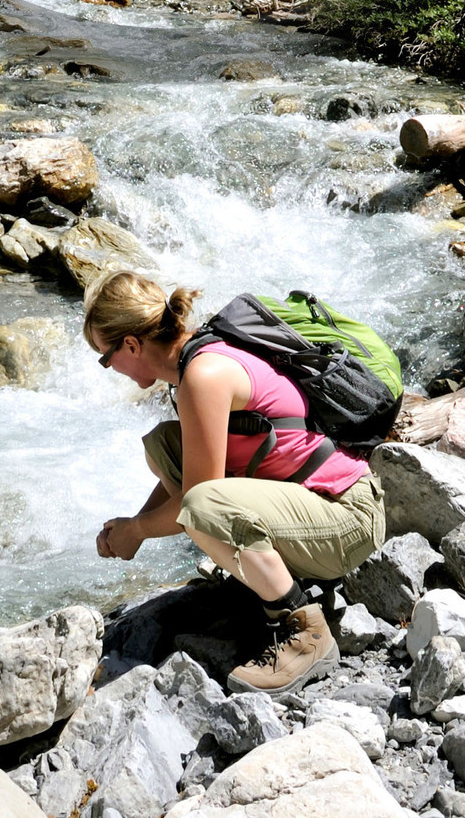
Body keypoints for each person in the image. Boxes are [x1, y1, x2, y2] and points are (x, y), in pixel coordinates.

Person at [86, 269, 386, 694]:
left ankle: (304, 630)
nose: (108, 368)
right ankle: (262, 580)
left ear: (132, 344)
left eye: (105, 357)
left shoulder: (203, 376)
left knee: (202, 506)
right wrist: (132, 525)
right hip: (314, 504)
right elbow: (193, 475)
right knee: (164, 445)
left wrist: (136, 530)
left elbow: (197, 502)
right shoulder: (200, 358)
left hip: (346, 518)